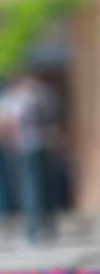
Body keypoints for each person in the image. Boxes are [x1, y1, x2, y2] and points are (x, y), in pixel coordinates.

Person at [0, 74, 60, 243]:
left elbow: (7, 125)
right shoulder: (38, 94)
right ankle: (44, 226)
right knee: (42, 187)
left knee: (30, 189)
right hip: (39, 145)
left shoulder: (15, 99)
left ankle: (34, 228)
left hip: (24, 148)